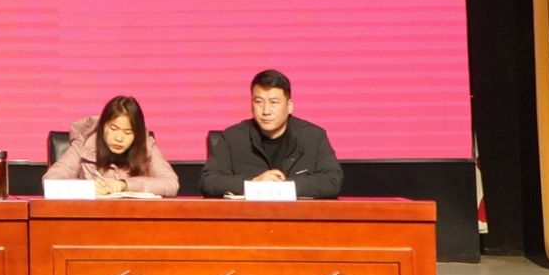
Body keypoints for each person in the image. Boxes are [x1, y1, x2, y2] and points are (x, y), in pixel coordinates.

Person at [198, 69, 343, 198]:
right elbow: (208, 181)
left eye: (274, 102)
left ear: (289, 106)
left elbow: (332, 180)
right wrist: (254, 183)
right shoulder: (232, 137)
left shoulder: (313, 137)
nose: (266, 111)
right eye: (259, 102)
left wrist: (281, 187)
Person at [44, 94, 179, 197]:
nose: (119, 138)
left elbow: (171, 183)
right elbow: (50, 180)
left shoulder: (146, 146)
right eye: (113, 129)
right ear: (103, 126)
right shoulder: (83, 145)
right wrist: (89, 187)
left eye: (128, 132)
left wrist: (124, 185)